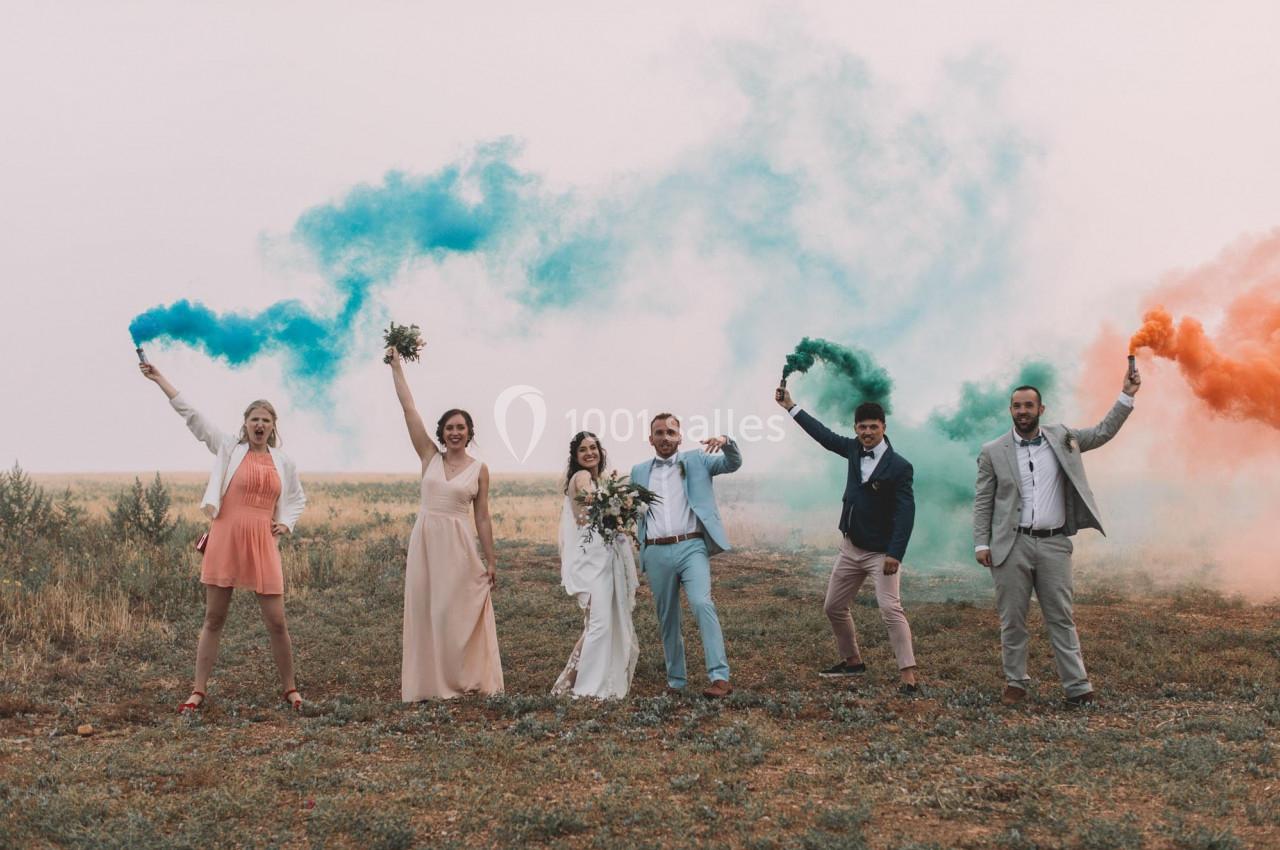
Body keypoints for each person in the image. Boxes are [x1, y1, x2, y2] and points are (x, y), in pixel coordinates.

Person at [139, 361, 306, 713]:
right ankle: (197, 691)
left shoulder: (283, 461)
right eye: (254, 419)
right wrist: (159, 379)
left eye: (266, 420)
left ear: (273, 426)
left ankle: (290, 689)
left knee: (277, 622)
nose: (259, 424)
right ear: (245, 424)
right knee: (214, 619)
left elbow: (296, 498)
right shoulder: (229, 448)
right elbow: (193, 417)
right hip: (226, 537)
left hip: (262, 542)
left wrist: (286, 523)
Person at [973, 366, 1141, 706]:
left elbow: (1103, 432)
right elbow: (983, 499)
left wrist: (1127, 395)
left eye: (1028, 405)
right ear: (1010, 410)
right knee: (1012, 620)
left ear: (1041, 409)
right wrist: (981, 542)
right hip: (1011, 546)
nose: (1022, 411)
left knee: (1061, 617)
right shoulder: (993, 450)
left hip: (1054, 544)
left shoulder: (1063, 438)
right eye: (1017, 406)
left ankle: (1077, 687)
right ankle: (1015, 683)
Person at [776, 389, 920, 692]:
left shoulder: (900, 466)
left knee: (890, 609)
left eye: (873, 427)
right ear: (856, 428)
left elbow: (906, 513)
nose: (867, 432)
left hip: (881, 554)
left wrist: (895, 553)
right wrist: (790, 406)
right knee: (833, 606)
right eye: (862, 427)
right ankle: (852, 661)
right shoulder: (854, 449)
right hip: (851, 548)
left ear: (884, 427)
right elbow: (823, 436)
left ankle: (908, 676)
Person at [387, 347, 503, 700]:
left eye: (461, 428)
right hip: (426, 541)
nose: (455, 433)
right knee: (427, 609)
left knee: (456, 611)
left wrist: (491, 559)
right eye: (449, 428)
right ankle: (429, 682)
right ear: (441, 432)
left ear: (469, 432)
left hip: (459, 545)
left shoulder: (479, 469)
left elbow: (482, 516)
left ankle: (465, 676)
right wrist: (396, 367)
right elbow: (409, 409)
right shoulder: (429, 457)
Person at [630, 413, 741, 698]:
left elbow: (733, 463)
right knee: (667, 617)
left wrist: (726, 441)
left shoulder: (698, 460)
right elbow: (631, 509)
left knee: (702, 603)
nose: (665, 437)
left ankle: (719, 677)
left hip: (692, 546)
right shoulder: (638, 471)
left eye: (670, 432)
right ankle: (676, 681)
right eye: (659, 432)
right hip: (655, 550)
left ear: (680, 437)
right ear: (650, 438)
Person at [551, 432, 640, 698]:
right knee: (599, 625)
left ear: (600, 451)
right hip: (590, 559)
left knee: (597, 624)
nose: (589, 453)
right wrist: (615, 507)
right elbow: (590, 514)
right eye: (583, 449)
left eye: (593, 448)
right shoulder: (582, 477)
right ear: (575, 456)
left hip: (601, 556)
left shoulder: (598, 479)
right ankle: (586, 686)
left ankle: (566, 683)